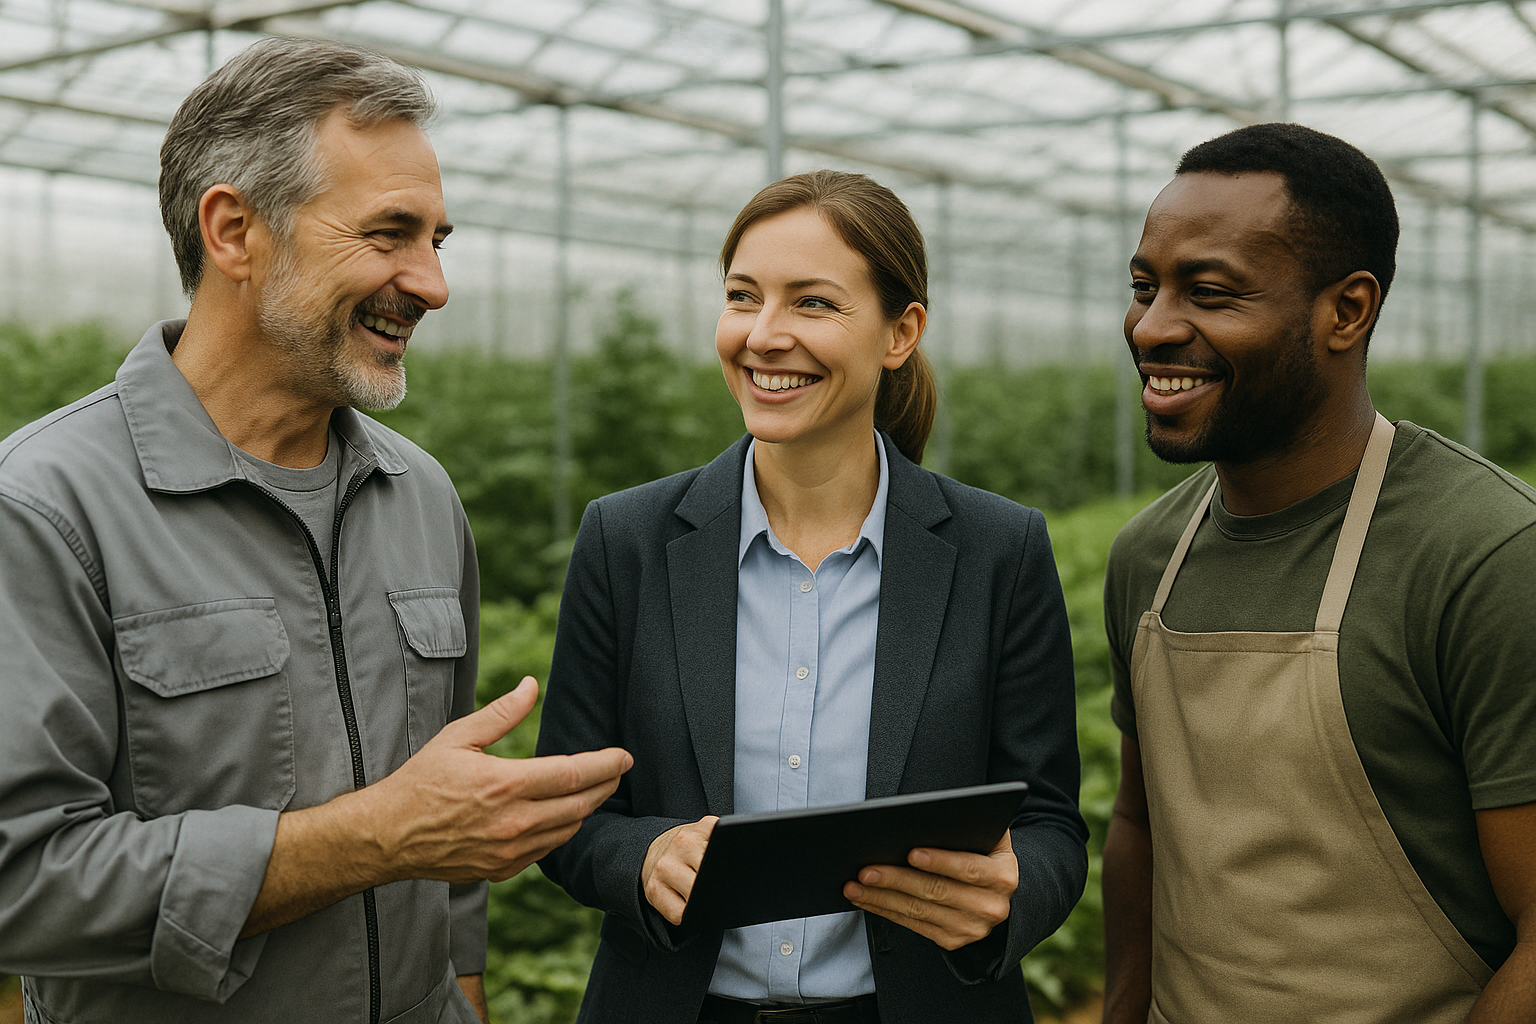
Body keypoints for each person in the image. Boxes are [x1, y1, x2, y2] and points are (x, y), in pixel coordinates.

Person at [0, 37, 631, 1024]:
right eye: (389, 234)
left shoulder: (420, 497)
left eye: (439, 239)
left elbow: (447, 829)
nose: (432, 283)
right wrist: (380, 835)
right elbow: (21, 879)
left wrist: (460, 988)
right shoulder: (46, 507)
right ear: (235, 231)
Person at [535, 169, 1088, 1024]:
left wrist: (1007, 897)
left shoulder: (996, 551)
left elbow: (1050, 821)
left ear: (901, 333)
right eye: (742, 297)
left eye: (813, 304)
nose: (763, 335)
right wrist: (642, 857)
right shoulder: (628, 541)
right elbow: (571, 812)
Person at [1100, 122, 1536, 1023]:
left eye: (1210, 293)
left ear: (1347, 311)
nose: (1153, 326)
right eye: (1144, 287)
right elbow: (1141, 830)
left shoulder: (1485, 557)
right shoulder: (1149, 557)